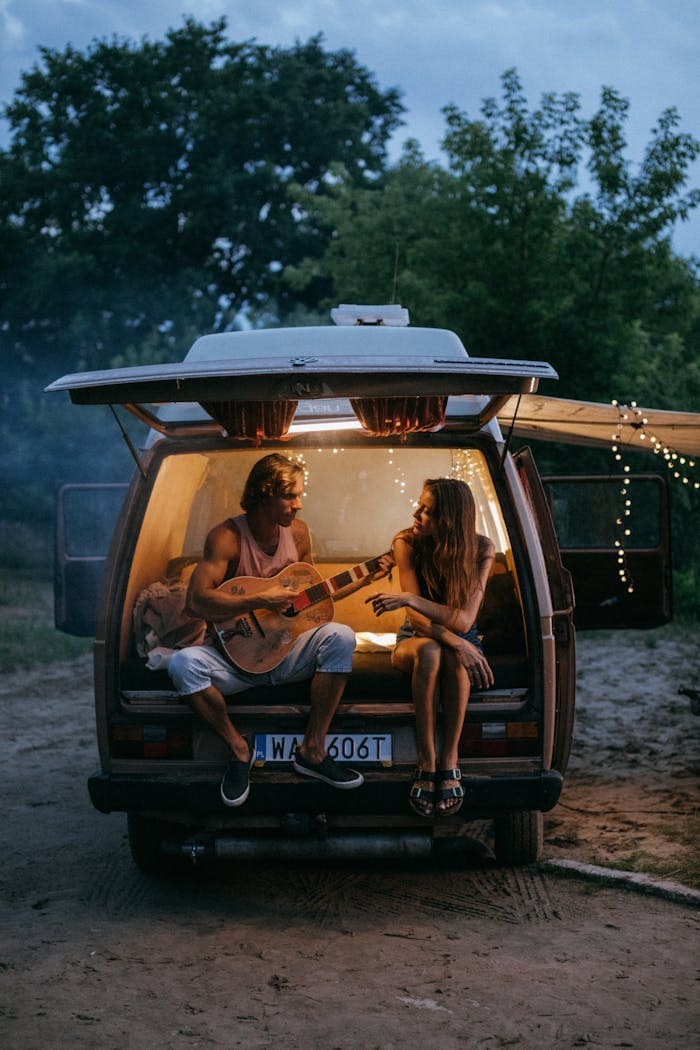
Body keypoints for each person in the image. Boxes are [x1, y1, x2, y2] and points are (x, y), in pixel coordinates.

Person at [168, 453, 391, 808]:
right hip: (234, 661)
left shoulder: (299, 535)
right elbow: (195, 602)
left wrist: (365, 578)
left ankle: (313, 750)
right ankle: (239, 750)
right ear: (265, 492)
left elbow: (314, 596)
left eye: (299, 495)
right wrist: (260, 598)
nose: (299, 505)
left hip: (287, 654)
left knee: (341, 636)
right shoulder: (227, 538)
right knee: (181, 665)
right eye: (291, 496)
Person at [369, 478, 495, 818]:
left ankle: (449, 761)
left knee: (454, 660)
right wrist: (457, 641)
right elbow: (418, 620)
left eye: (428, 510)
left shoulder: (482, 550)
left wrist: (459, 640)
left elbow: (466, 620)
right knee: (432, 651)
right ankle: (426, 760)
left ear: (450, 520)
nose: (417, 513)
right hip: (415, 638)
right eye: (419, 505)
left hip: (459, 640)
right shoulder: (406, 543)